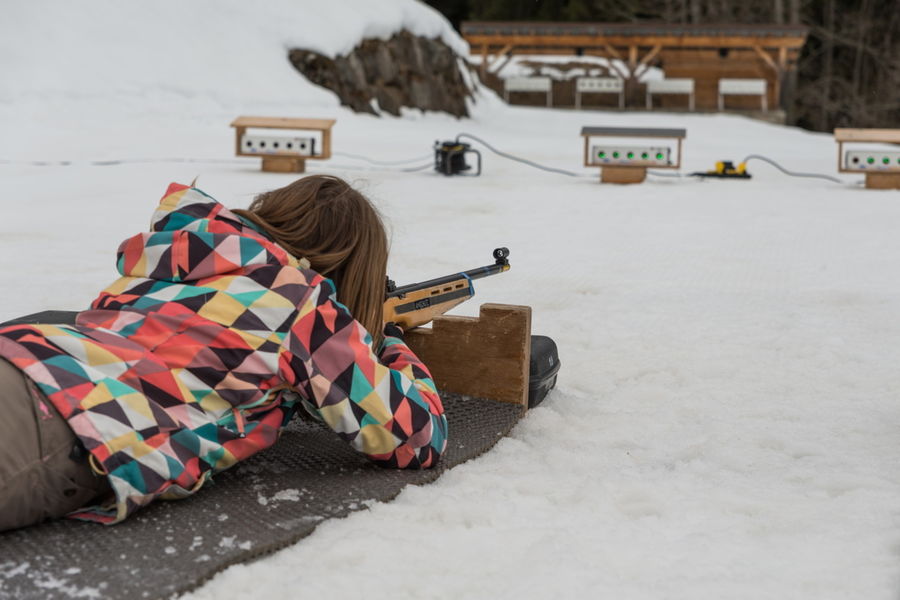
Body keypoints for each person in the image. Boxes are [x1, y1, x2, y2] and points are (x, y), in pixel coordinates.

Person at [0, 175, 448, 531]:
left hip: (24, 355)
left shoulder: (177, 254)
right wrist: (388, 343)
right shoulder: (301, 303)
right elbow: (416, 437)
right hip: (65, 418)